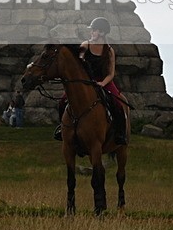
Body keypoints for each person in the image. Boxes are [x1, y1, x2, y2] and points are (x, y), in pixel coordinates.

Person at [54, 17, 127, 145]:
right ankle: (63, 129)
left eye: (94, 30)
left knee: (119, 104)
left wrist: (102, 84)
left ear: (102, 33)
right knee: (62, 101)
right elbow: (79, 59)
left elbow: (111, 73)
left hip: (104, 81)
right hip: (86, 81)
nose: (91, 32)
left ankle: (120, 134)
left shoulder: (109, 51)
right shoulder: (85, 45)